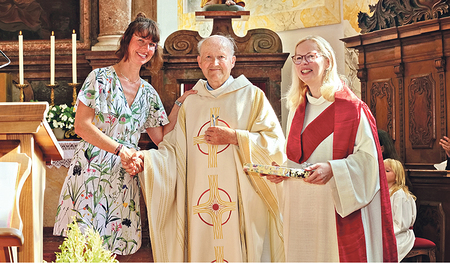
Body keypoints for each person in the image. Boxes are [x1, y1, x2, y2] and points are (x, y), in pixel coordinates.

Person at [122, 34, 286, 262]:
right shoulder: (191, 102)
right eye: (208, 57)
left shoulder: (251, 96)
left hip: (240, 200)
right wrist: (147, 161)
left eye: (221, 57)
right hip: (198, 201)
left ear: (233, 61)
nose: (214, 63)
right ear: (199, 62)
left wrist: (237, 137)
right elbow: (172, 149)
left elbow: (274, 143)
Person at [53, 13, 196, 256]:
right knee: (83, 245)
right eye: (141, 40)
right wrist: (121, 149)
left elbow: (161, 137)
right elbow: (82, 126)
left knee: (113, 246)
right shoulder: (99, 78)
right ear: (127, 41)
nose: (146, 48)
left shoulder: (149, 94)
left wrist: (180, 104)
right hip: (91, 168)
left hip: (123, 174)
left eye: (152, 44)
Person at [264, 35, 397, 261]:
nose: (303, 63)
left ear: (327, 62)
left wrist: (333, 168)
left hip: (334, 206)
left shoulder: (352, 108)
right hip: (301, 205)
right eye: (298, 58)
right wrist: (283, 172)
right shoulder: (297, 108)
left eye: (310, 57)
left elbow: (369, 160)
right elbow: (299, 158)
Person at [384, 158, 417, 261]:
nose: (382, 173)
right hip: (387, 232)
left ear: (397, 176)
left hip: (401, 235)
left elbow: (401, 224)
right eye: (381, 169)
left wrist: (384, 233)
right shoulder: (383, 192)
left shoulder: (399, 194)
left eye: (387, 171)